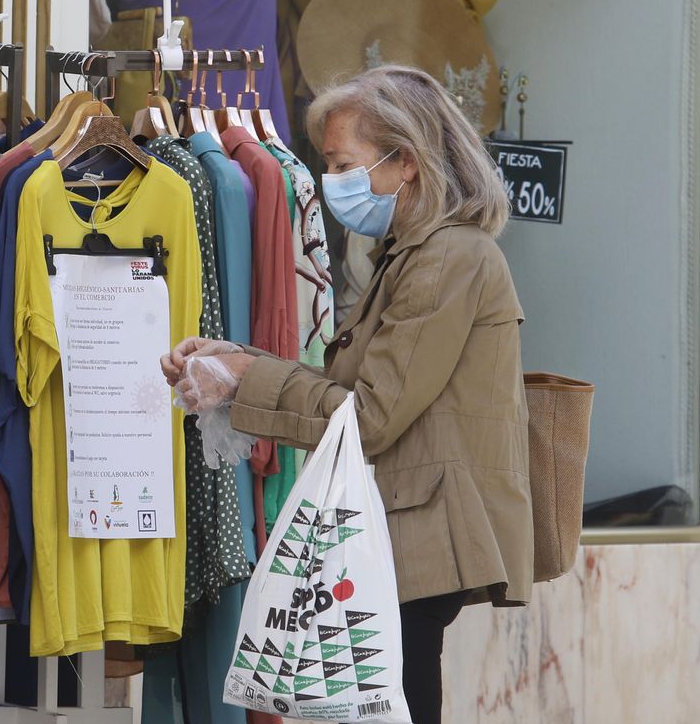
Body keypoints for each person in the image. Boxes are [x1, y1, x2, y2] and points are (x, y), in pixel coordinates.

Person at [161, 65, 532, 724]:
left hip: (416, 535)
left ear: (406, 163)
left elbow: (371, 416)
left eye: (343, 163)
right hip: (397, 530)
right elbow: (347, 391)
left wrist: (249, 376)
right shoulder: (410, 253)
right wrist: (239, 361)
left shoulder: (444, 259)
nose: (332, 182)